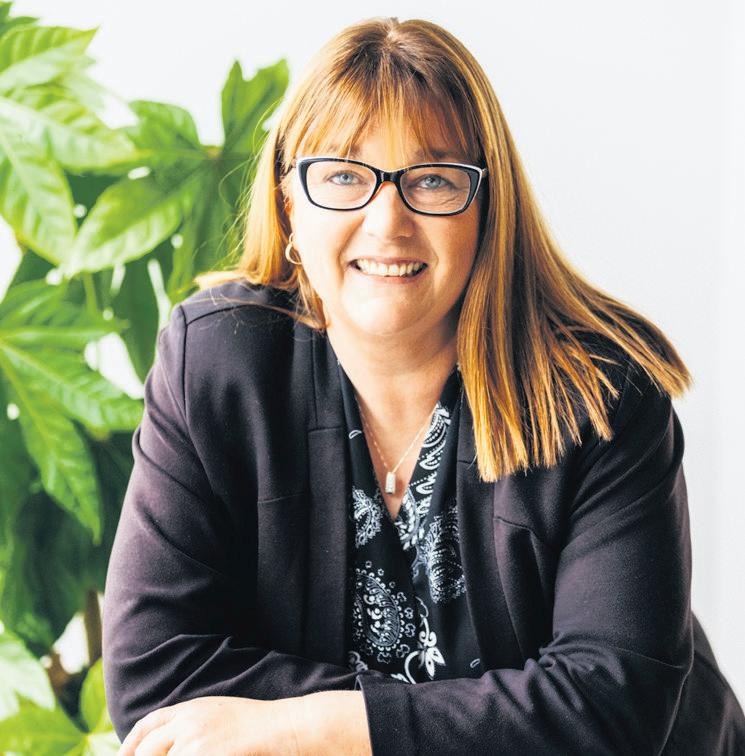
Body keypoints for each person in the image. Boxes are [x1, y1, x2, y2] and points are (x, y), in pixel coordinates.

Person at [103, 15, 745, 755]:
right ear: (288, 204)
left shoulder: (600, 396)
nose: (388, 221)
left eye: (432, 180)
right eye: (344, 175)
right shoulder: (217, 360)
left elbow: (608, 712)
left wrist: (307, 726)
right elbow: (153, 678)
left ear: (486, 207)